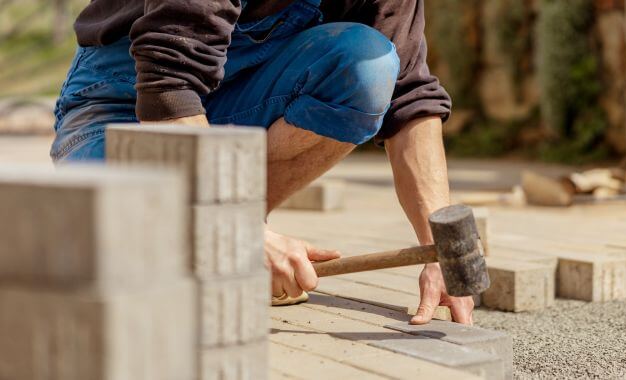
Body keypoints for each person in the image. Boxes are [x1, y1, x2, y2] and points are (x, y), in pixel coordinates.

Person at [52, 0, 473, 325]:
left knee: (368, 64)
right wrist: (237, 229)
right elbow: (169, 88)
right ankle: (219, 236)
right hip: (124, 111)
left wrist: (439, 245)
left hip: (237, 99)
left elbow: (410, 99)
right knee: (104, 248)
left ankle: (221, 238)